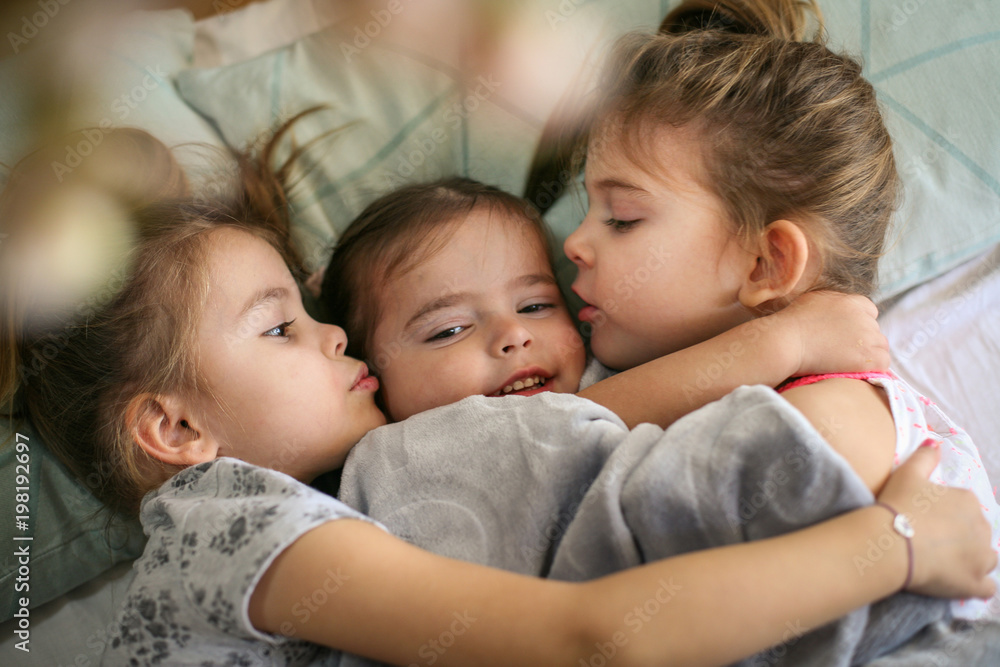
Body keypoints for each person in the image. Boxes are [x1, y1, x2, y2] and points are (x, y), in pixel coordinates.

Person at [1, 126, 994, 666]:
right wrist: (896, 544)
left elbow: (564, 428)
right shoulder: (223, 525)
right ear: (176, 427)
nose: (333, 335)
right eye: (280, 328)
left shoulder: (350, 493)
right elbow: (593, 638)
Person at [556, 0, 1000, 619]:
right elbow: (541, 440)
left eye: (623, 219)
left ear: (765, 264)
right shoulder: (624, 379)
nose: (573, 244)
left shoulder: (832, 418)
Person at [319, 176, 884, 426]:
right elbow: (558, 432)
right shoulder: (404, 454)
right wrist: (788, 340)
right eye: (448, 330)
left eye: (536, 306)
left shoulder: (614, 361)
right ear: (371, 376)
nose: (514, 335)